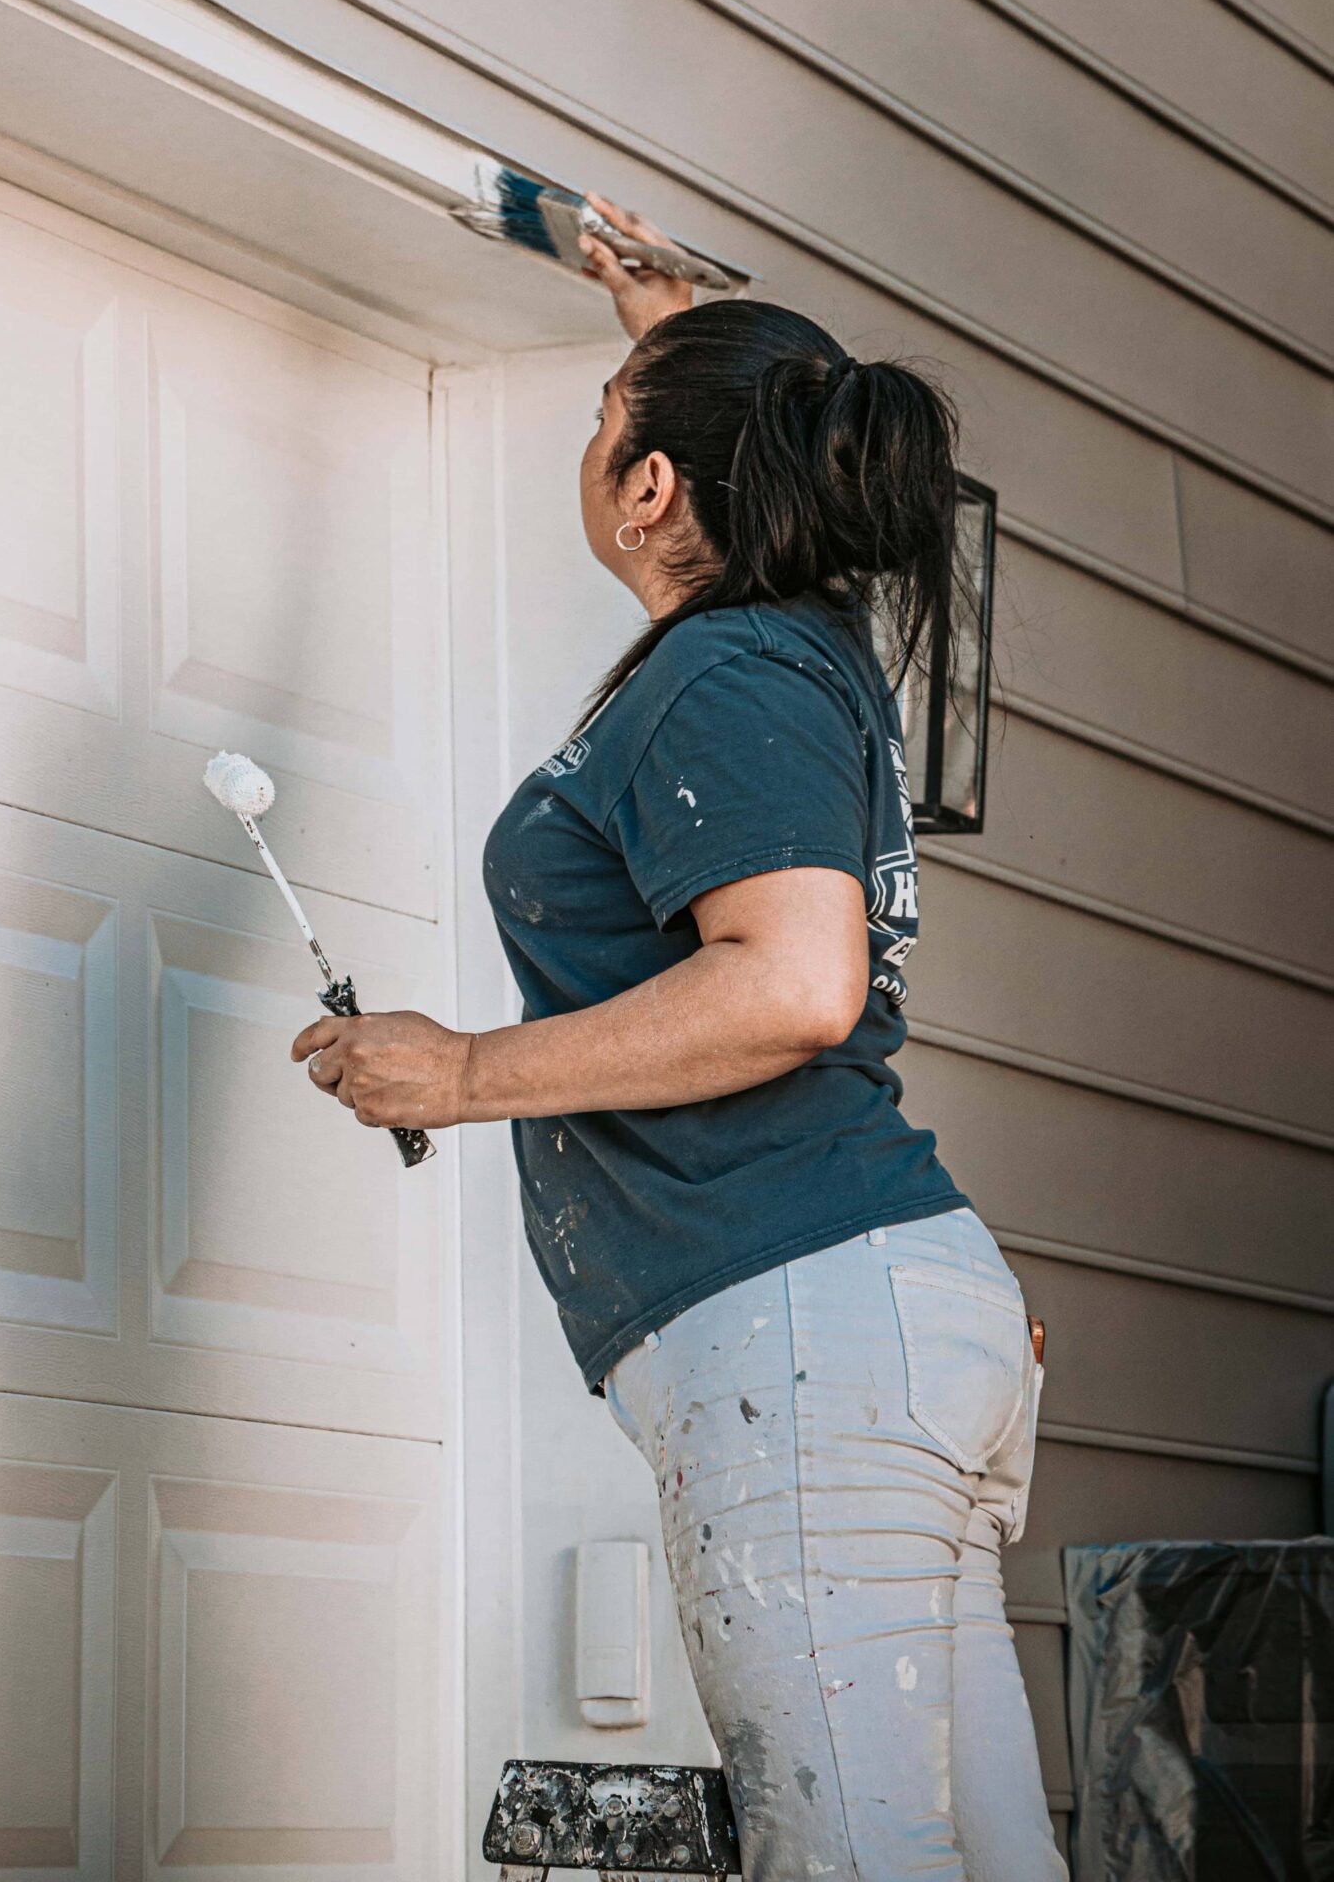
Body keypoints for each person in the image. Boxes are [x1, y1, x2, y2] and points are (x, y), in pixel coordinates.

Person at [293, 196, 1063, 1881]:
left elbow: (793, 985)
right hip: (877, 1308)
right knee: (987, 1858)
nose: (593, 448)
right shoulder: (800, 654)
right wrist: (664, 334)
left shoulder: (727, 674)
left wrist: (466, 1072)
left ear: (652, 487)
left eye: (608, 429)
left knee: (852, 1858)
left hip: (803, 1327)